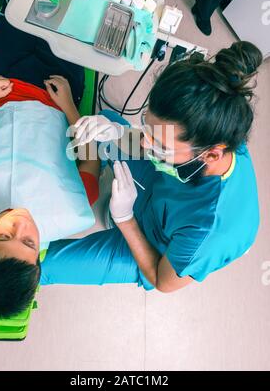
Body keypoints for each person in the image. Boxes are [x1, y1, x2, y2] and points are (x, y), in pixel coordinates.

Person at [40, 41, 263, 293]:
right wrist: (115, 133)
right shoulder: (216, 128)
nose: (144, 144)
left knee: (46, 265)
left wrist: (125, 219)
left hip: (155, 250)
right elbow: (142, 142)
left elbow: (162, 281)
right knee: (109, 124)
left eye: (159, 143)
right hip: (161, 193)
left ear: (211, 155)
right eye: (148, 127)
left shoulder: (207, 231)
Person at [0, 18, 100, 318]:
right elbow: (90, 160)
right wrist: (70, 107)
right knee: (69, 15)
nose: (21, 224)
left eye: (3, 236)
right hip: (57, 90)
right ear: (38, 258)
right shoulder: (72, 211)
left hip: (2, 85)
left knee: (19, 9)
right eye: (29, 242)